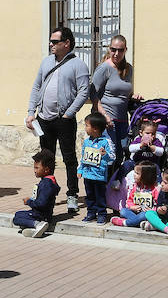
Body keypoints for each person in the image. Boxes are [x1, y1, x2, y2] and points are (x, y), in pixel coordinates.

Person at [26, 27, 90, 213]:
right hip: (43, 118)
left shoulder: (78, 65)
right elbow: (36, 87)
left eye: (54, 41)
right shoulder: (46, 62)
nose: (51, 44)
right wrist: (31, 112)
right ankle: (47, 193)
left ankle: (72, 195)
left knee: (69, 158)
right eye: (51, 41)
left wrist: (69, 113)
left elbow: (83, 91)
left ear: (66, 43)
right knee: (46, 158)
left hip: (63, 119)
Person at [91, 34, 137, 187]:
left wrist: (134, 96)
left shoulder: (128, 69)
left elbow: (125, 92)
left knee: (120, 154)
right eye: (113, 49)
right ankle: (101, 190)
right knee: (107, 156)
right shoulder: (104, 68)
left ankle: (113, 189)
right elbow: (93, 94)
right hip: (107, 120)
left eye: (120, 50)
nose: (116, 53)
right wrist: (104, 116)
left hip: (122, 119)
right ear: (109, 49)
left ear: (126, 50)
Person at [13, 149, 60, 239]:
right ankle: (32, 226)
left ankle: (37, 225)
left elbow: (41, 203)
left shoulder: (46, 184)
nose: (34, 171)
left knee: (16, 219)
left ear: (46, 170)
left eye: (37, 168)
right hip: (42, 214)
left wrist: (29, 202)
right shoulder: (48, 181)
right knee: (18, 214)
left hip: (41, 215)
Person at [77, 112, 115, 224]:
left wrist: (105, 154)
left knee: (100, 196)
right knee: (89, 196)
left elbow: (113, 158)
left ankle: (102, 214)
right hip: (88, 174)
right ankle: (91, 213)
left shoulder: (106, 141)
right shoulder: (86, 141)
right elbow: (83, 157)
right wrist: (80, 170)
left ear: (95, 128)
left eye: (87, 125)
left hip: (99, 175)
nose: (85, 128)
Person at [111, 161, 159, 229]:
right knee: (123, 211)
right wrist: (132, 207)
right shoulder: (136, 186)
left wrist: (152, 210)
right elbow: (130, 200)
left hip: (146, 213)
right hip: (135, 212)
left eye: (137, 173)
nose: (134, 175)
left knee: (144, 215)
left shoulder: (155, 189)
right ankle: (138, 222)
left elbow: (158, 204)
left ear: (146, 176)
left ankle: (125, 223)